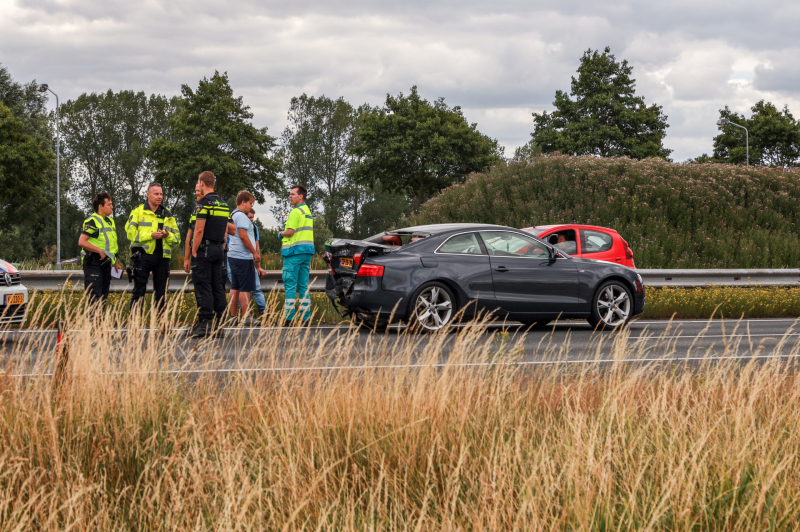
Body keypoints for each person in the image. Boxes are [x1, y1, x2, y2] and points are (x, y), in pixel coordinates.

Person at [125, 183, 180, 319]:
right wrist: (150, 235)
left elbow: (177, 239)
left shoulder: (168, 214)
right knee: (139, 291)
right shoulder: (137, 212)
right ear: (148, 195)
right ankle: (135, 325)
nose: (159, 197)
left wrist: (168, 235)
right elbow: (130, 234)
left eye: (161, 194)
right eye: (156, 194)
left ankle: (161, 325)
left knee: (161, 293)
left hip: (162, 257)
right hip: (143, 256)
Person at [189, 171, 231, 338]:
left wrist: (194, 249)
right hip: (218, 250)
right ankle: (220, 324)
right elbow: (226, 230)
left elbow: (199, 229)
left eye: (198, 183)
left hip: (204, 250)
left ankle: (205, 322)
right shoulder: (223, 204)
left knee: (203, 285)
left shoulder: (203, 204)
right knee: (217, 286)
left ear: (202, 183)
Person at [78, 192, 122, 311]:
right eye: (109, 204)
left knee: (103, 298)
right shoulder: (93, 221)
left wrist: (115, 262)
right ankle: (92, 327)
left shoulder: (110, 221)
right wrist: (99, 250)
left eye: (111, 204)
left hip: (106, 263)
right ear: (100, 206)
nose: (112, 207)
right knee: (94, 299)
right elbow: (82, 241)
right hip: (94, 263)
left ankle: (100, 327)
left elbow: (111, 245)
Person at [279, 185, 314, 324]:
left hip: (294, 253)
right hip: (306, 253)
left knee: (290, 285)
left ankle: (289, 318)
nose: (290, 196)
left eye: (293, 194)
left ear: (301, 196)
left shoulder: (295, 212)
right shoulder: (307, 212)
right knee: (303, 287)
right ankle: (306, 318)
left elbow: (290, 232)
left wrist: (280, 233)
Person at [226, 191, 261, 325]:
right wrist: (254, 253)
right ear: (243, 202)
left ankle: (233, 317)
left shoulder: (233, 214)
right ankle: (246, 317)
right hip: (242, 256)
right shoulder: (241, 216)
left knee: (235, 286)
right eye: (250, 203)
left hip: (233, 255)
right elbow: (243, 235)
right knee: (245, 288)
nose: (251, 206)